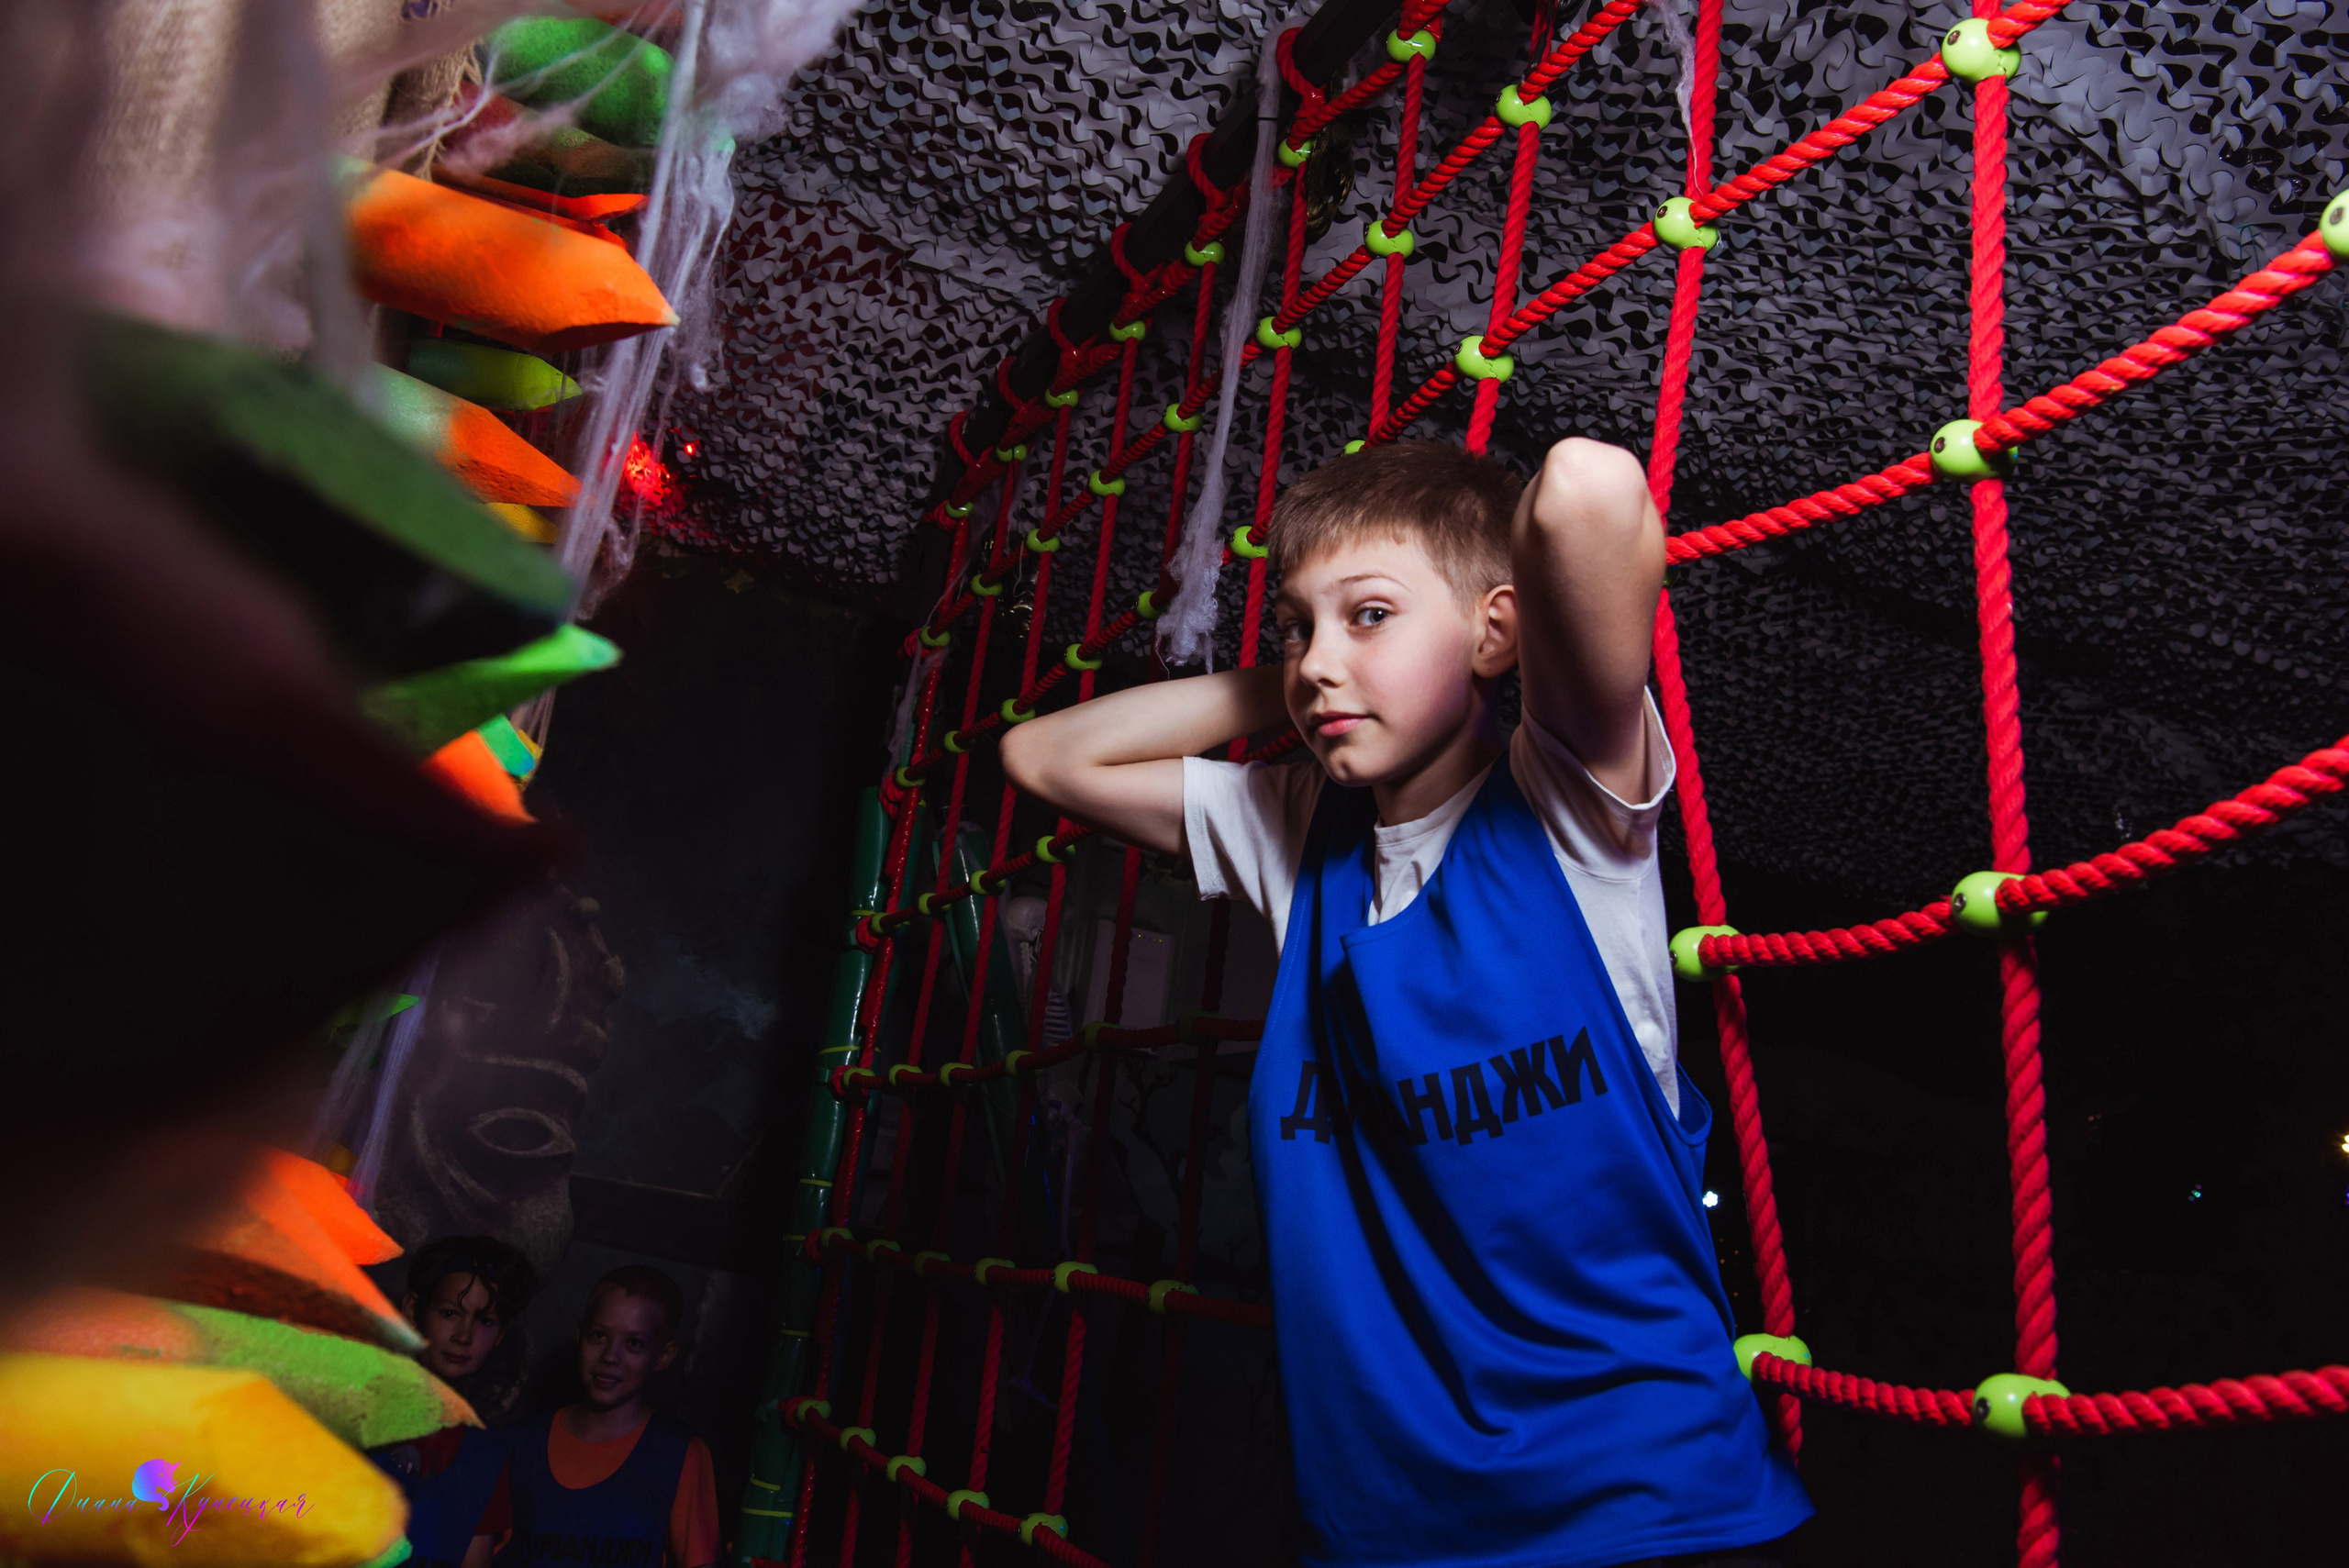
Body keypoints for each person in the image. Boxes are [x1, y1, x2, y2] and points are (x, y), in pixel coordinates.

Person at [1000, 439, 1812, 1567]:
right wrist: (1299, 677)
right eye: (1298, 624)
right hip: (1388, 1523)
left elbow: (1588, 488)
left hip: (1639, 1505)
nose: (1320, 659)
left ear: (1493, 631)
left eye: (1370, 613)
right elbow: (1043, 755)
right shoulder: (1297, 829)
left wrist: (1387, 652)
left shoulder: (1569, 803)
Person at [495, 1264, 720, 1568]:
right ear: (580, 1335)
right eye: (599, 1335)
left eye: (634, 1344)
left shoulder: (681, 1456)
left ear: (664, 1355)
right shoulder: (518, 1445)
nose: (610, 1357)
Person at [373, 1236, 539, 1568]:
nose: (464, 1335)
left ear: (501, 1335)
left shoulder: (485, 1456)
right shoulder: (354, 1414)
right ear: (412, 1309)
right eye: (450, 1313)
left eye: (485, 1321)